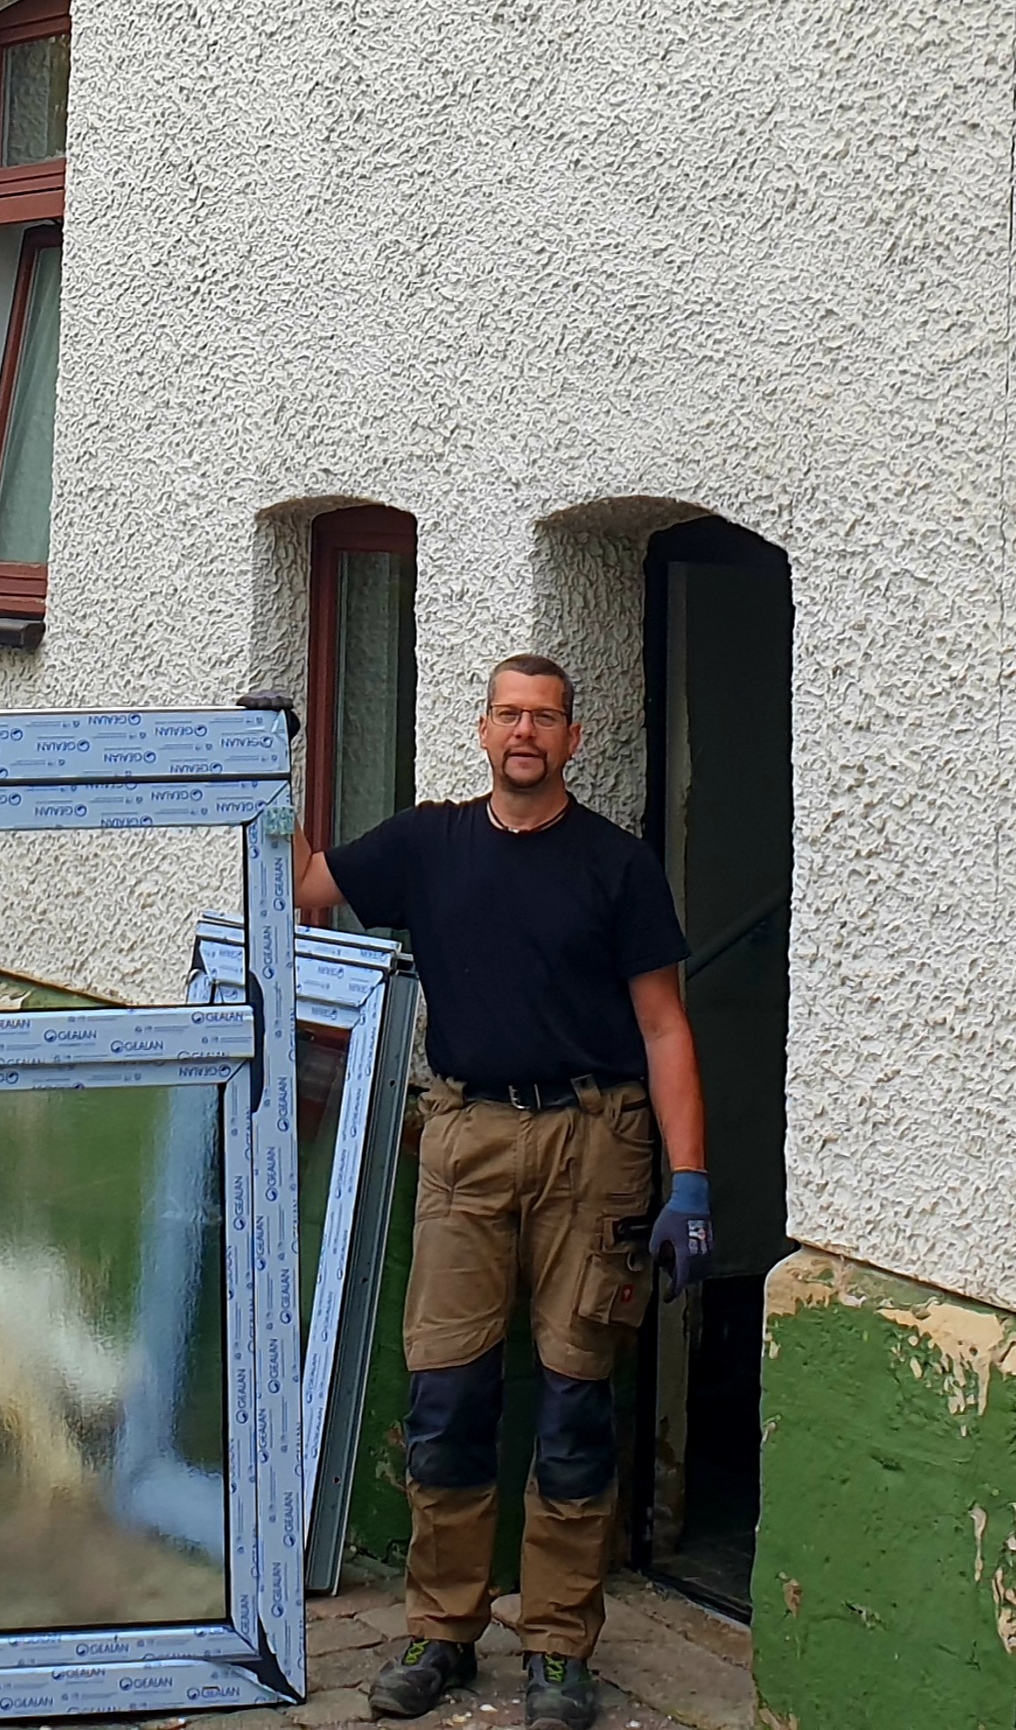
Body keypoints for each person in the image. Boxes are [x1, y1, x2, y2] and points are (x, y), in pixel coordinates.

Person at [297, 657, 711, 1730]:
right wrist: (272, 767)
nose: (525, 733)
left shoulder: (616, 869)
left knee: (575, 1404)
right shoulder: (427, 846)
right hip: (467, 1137)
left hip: (594, 1142)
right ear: (481, 731)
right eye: (509, 715)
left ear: (574, 739)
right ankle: (441, 1629)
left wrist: (692, 1180)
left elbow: (665, 1026)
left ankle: (561, 1647)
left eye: (546, 718)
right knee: (448, 1399)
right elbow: (303, 887)